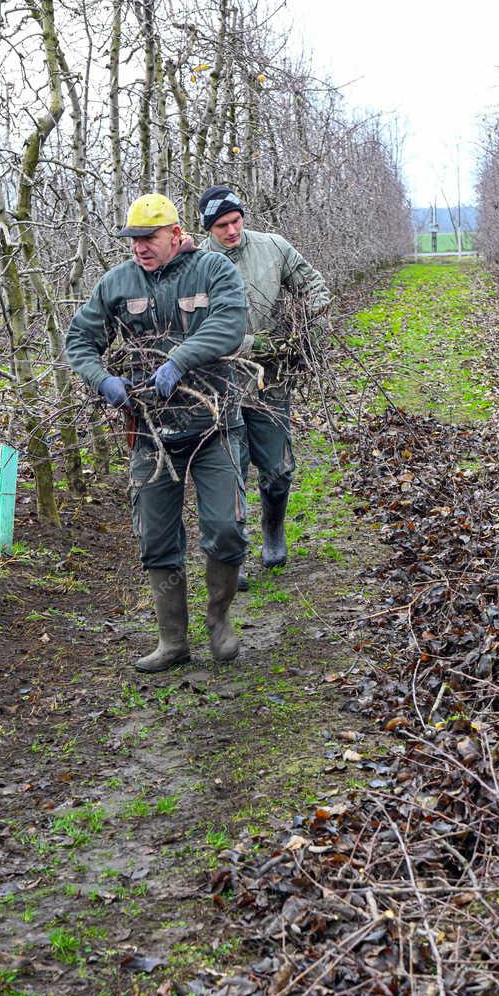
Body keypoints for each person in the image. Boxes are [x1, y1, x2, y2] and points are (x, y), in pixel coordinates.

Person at [64, 192, 249, 671]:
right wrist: (101, 379)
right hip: (150, 430)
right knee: (156, 538)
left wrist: (178, 360)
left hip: (214, 425)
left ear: (176, 234)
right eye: (133, 240)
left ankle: (219, 621)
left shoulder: (212, 271)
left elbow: (229, 324)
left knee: (226, 529)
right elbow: (79, 338)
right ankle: (172, 641)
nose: (140, 247)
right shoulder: (118, 283)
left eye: (149, 238)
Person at [199, 185, 329, 585]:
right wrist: (252, 343)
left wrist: (307, 332)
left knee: (277, 467)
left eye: (236, 221)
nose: (232, 230)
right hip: (219, 380)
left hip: (271, 377)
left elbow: (316, 288)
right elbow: (196, 328)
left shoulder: (273, 247)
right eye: (222, 226)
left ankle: (273, 530)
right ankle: (231, 552)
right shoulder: (196, 265)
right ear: (208, 228)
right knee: (228, 468)